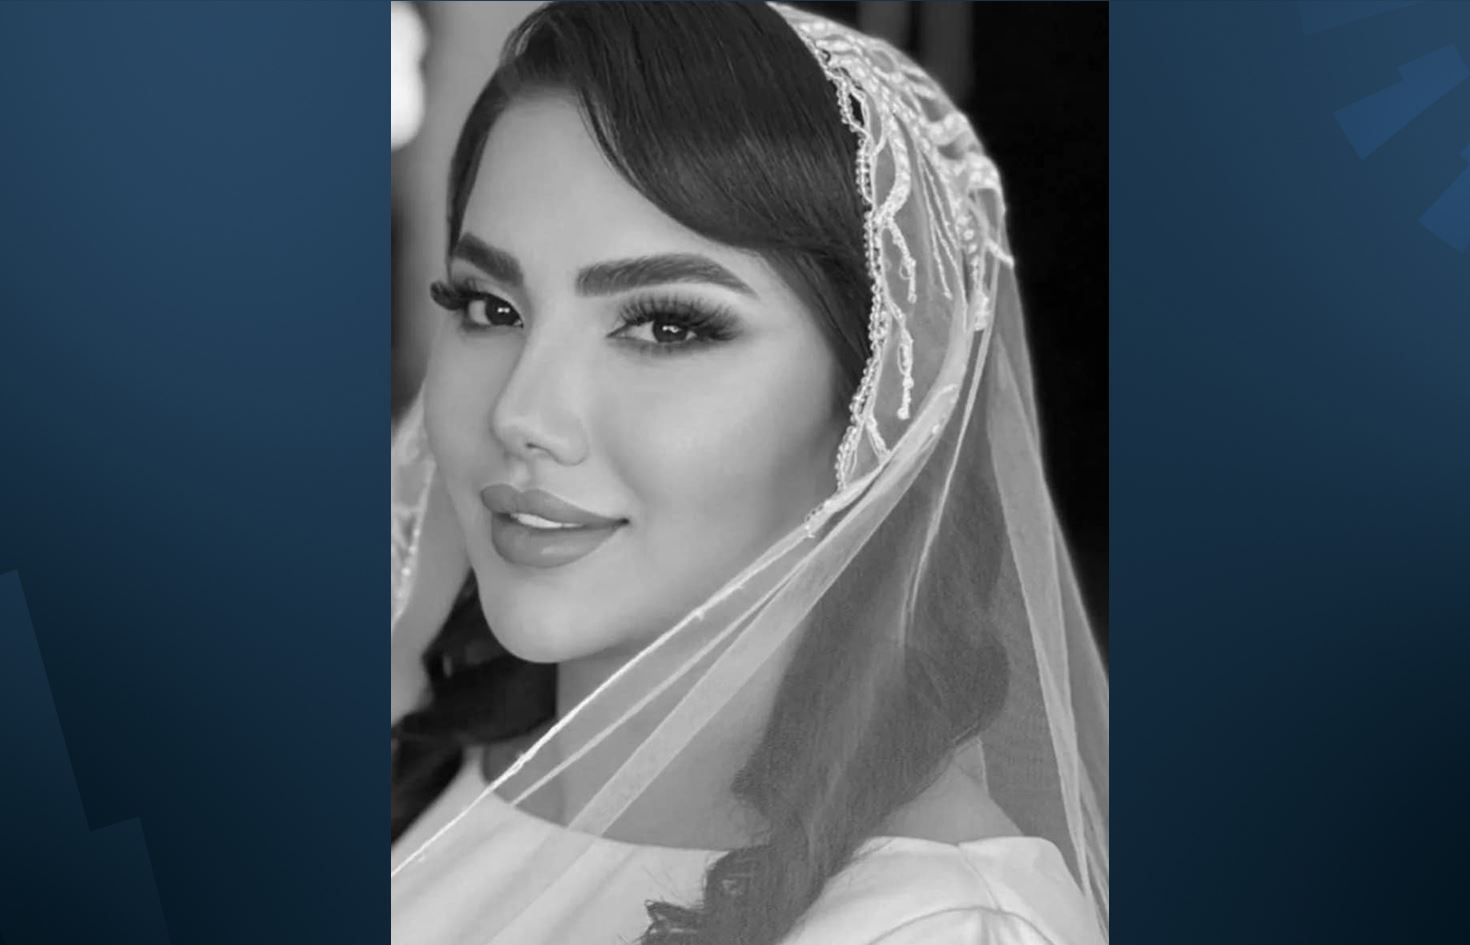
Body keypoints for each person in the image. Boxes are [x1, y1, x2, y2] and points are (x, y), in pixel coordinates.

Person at [390, 3, 1108, 943]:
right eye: (490, 306)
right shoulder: (429, 777)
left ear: (876, 397)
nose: (520, 414)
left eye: (666, 326)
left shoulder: (929, 926)